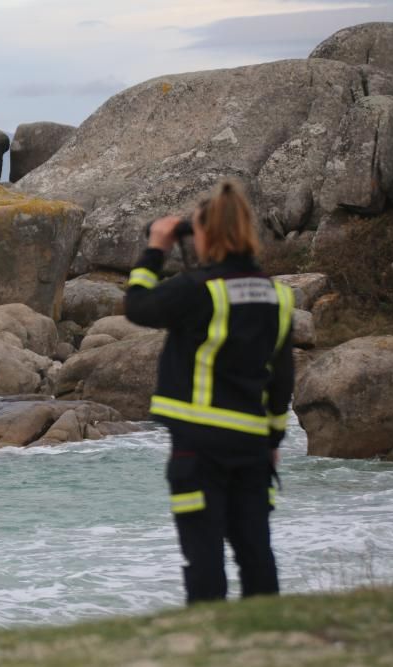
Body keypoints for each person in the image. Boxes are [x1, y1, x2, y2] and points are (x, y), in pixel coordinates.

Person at [124, 179, 294, 604]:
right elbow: (281, 379)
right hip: (253, 446)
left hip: (199, 447)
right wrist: (273, 439)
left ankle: (210, 645)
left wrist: (157, 249)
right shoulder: (279, 296)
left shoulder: (198, 291)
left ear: (207, 235)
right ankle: (270, 642)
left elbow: (137, 306)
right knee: (256, 552)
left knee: (204, 556)